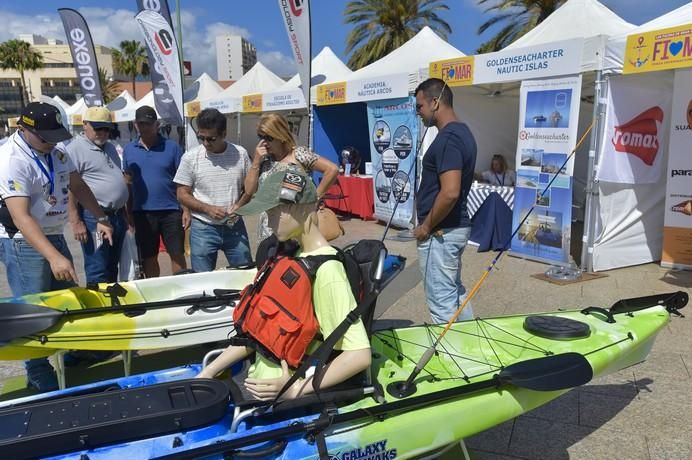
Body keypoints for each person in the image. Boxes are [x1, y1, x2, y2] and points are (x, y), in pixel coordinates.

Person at [197, 168, 370, 401]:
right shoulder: (292, 255)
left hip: (276, 397)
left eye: (275, 212)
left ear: (298, 208)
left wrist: (296, 389)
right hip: (255, 380)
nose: (269, 221)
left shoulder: (327, 271)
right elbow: (259, 333)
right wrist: (209, 371)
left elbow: (359, 354)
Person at [0, 102, 114, 391]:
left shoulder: (58, 153)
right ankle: (37, 371)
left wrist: (100, 217)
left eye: (55, 136)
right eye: (45, 137)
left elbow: (79, 186)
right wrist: (54, 257)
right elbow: (20, 217)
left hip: (53, 233)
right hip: (23, 241)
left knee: (62, 301)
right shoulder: (12, 159)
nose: (52, 142)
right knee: (32, 307)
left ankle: (65, 357)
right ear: (22, 129)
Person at [413, 78, 477, 324]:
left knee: (441, 302)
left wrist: (426, 226)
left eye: (420, 106)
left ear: (435, 103)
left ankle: (453, 358)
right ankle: (471, 347)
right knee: (454, 293)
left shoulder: (449, 138)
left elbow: (450, 192)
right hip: (451, 228)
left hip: (441, 232)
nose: (418, 112)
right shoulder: (463, 133)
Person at [174, 108, 252, 272]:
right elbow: (182, 194)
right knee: (203, 281)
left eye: (211, 139)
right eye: (201, 138)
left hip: (234, 226)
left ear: (224, 134)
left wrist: (239, 205)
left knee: (244, 275)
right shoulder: (190, 157)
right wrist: (208, 209)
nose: (205, 143)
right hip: (203, 228)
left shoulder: (241, 154)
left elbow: (250, 189)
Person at [244, 113, 338, 242]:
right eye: (261, 137)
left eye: (269, 138)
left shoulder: (298, 154)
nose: (264, 143)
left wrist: (315, 198)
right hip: (268, 228)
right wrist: (255, 161)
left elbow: (332, 169)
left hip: (295, 229)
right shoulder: (264, 160)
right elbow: (249, 191)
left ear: (281, 136)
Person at [123, 106, 188, 278]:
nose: (144, 127)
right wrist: (128, 212)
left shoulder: (172, 148)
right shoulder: (129, 150)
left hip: (171, 211)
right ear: (135, 124)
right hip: (142, 213)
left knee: (177, 253)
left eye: (148, 124)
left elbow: (183, 181)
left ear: (156, 125)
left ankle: (182, 290)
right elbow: (128, 183)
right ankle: (154, 293)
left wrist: (186, 209)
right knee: (149, 256)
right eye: (141, 123)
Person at [66, 106, 129, 285]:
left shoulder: (109, 147)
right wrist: (75, 220)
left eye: (105, 128)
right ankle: (99, 309)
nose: (102, 132)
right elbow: (71, 187)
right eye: (97, 128)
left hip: (116, 215)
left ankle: (111, 306)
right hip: (94, 218)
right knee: (97, 267)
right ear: (85, 125)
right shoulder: (75, 148)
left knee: (112, 266)